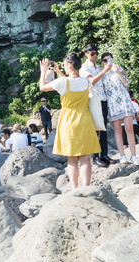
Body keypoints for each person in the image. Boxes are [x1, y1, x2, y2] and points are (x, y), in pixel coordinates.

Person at [39, 54, 100, 188]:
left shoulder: (63, 82)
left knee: (72, 159)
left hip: (69, 120)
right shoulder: (85, 81)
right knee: (85, 158)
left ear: (70, 66)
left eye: (64, 65)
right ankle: (87, 187)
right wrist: (58, 71)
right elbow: (70, 81)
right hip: (84, 118)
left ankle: (74, 189)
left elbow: (42, 87)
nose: (63, 67)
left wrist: (43, 71)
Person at [100, 52, 139, 165]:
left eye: (110, 60)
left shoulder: (118, 69)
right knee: (117, 129)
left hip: (124, 100)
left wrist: (118, 72)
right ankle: (122, 155)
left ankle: (134, 156)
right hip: (112, 102)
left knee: (129, 128)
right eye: (105, 60)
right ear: (102, 62)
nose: (108, 62)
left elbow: (126, 84)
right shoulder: (101, 73)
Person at [79, 44, 114, 167]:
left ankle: (103, 154)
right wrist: (105, 71)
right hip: (93, 99)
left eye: (96, 53)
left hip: (102, 97)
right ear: (86, 54)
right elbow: (92, 81)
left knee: (103, 127)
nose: (95, 56)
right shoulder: (84, 68)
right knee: (95, 128)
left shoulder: (98, 67)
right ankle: (95, 157)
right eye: (92, 53)